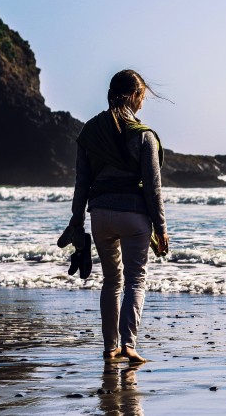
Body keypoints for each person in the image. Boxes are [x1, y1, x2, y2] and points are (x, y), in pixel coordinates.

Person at [59, 69, 169, 362]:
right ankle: (129, 345)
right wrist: (161, 228)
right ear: (134, 96)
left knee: (111, 281)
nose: (142, 103)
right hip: (135, 217)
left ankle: (110, 348)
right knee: (136, 280)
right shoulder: (144, 136)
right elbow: (153, 189)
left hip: (101, 216)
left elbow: (81, 183)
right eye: (142, 97)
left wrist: (76, 222)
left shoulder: (89, 132)